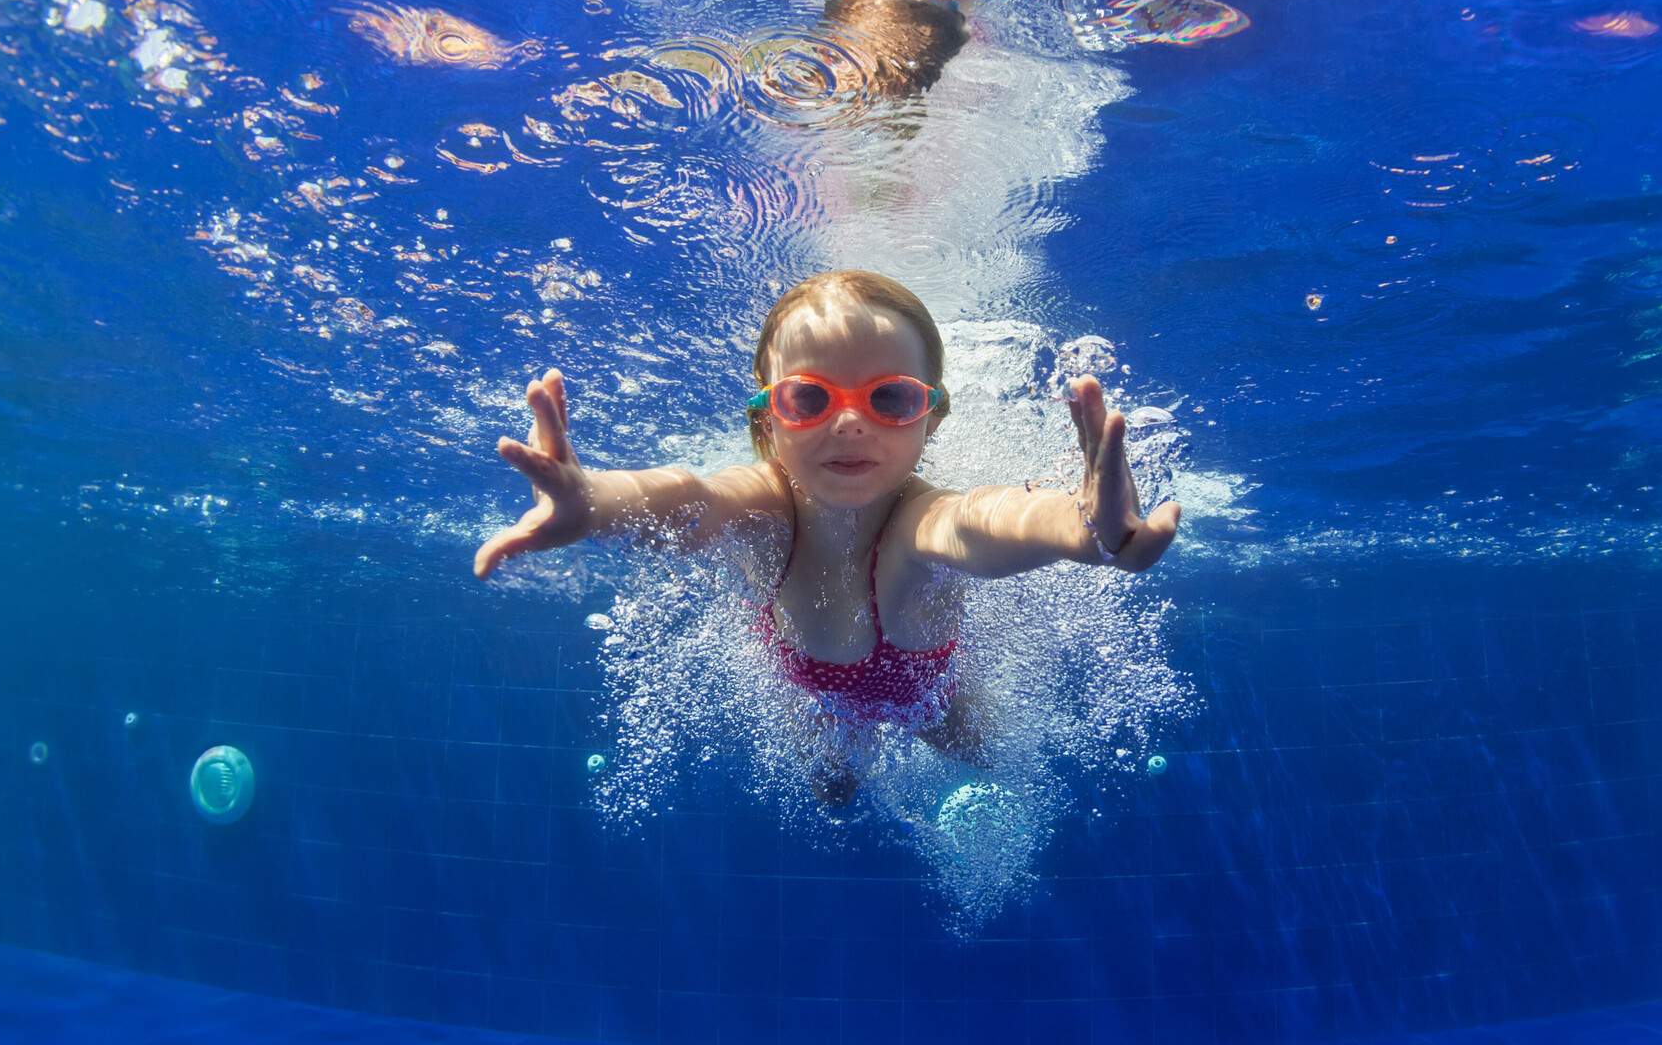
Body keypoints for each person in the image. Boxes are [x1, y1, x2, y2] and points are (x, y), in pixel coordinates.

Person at [473, 270, 1181, 804]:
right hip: (812, 694)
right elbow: (689, 497)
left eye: (891, 399)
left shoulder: (919, 519)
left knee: (990, 759)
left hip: (930, 693)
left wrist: (1086, 529)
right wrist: (595, 501)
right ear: (767, 420)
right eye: (809, 399)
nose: (850, 424)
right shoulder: (764, 506)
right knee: (833, 794)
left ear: (930, 418)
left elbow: (986, 521)